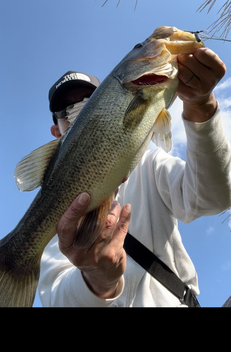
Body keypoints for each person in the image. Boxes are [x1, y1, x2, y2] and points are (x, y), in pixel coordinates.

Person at [38, 49, 231, 307]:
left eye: (89, 99)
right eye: (65, 111)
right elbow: (55, 297)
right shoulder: (52, 208)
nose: (79, 111)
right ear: (56, 131)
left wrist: (201, 106)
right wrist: (98, 282)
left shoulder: (148, 163)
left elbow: (214, 197)